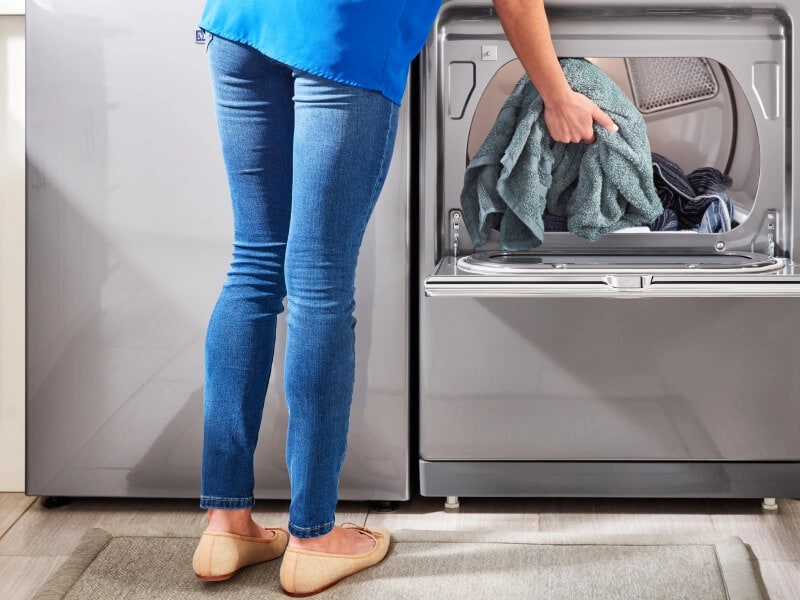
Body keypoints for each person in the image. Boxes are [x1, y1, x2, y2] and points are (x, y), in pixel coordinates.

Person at [192, 1, 617, 596]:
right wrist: (558, 94)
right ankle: (312, 538)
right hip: (342, 36)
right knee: (318, 283)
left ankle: (225, 524)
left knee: (255, 264)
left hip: (241, 21)